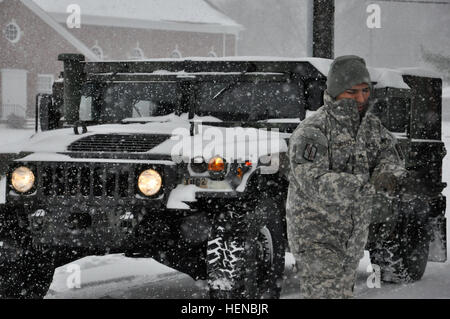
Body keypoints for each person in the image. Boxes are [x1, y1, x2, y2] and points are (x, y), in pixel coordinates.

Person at [286, 55, 407, 298]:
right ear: (335, 91)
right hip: (316, 237)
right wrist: (368, 185)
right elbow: (315, 182)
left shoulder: (370, 127)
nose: (361, 98)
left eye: (365, 90)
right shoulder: (313, 131)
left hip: (352, 237)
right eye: (352, 92)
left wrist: (387, 174)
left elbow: (391, 155)